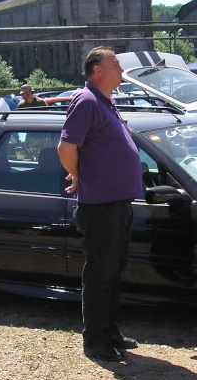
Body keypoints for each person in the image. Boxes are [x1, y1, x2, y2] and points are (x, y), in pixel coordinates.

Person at [57, 46, 143, 362]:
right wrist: (80, 174)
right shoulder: (87, 101)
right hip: (100, 206)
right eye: (116, 64)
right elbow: (66, 147)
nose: (121, 70)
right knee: (99, 274)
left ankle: (110, 332)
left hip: (118, 202)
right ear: (97, 70)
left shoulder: (106, 101)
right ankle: (95, 340)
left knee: (113, 270)